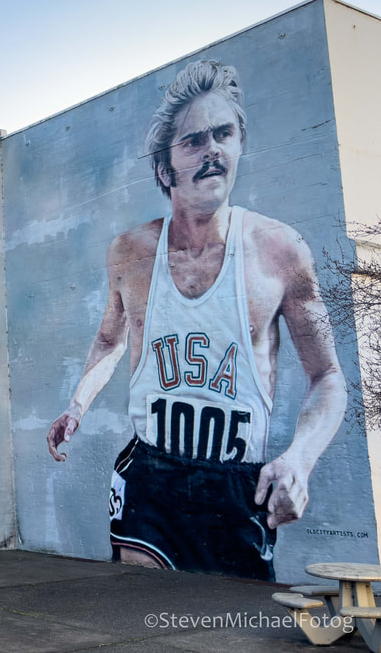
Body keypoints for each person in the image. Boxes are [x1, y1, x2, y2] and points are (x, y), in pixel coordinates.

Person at [45, 59, 346, 580]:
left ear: (240, 145)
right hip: (151, 475)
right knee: (145, 616)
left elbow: (328, 377)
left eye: (223, 134)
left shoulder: (281, 251)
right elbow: (109, 340)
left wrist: (299, 460)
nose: (212, 151)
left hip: (236, 483)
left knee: (230, 626)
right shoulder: (130, 253)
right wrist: (77, 405)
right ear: (165, 168)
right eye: (193, 142)